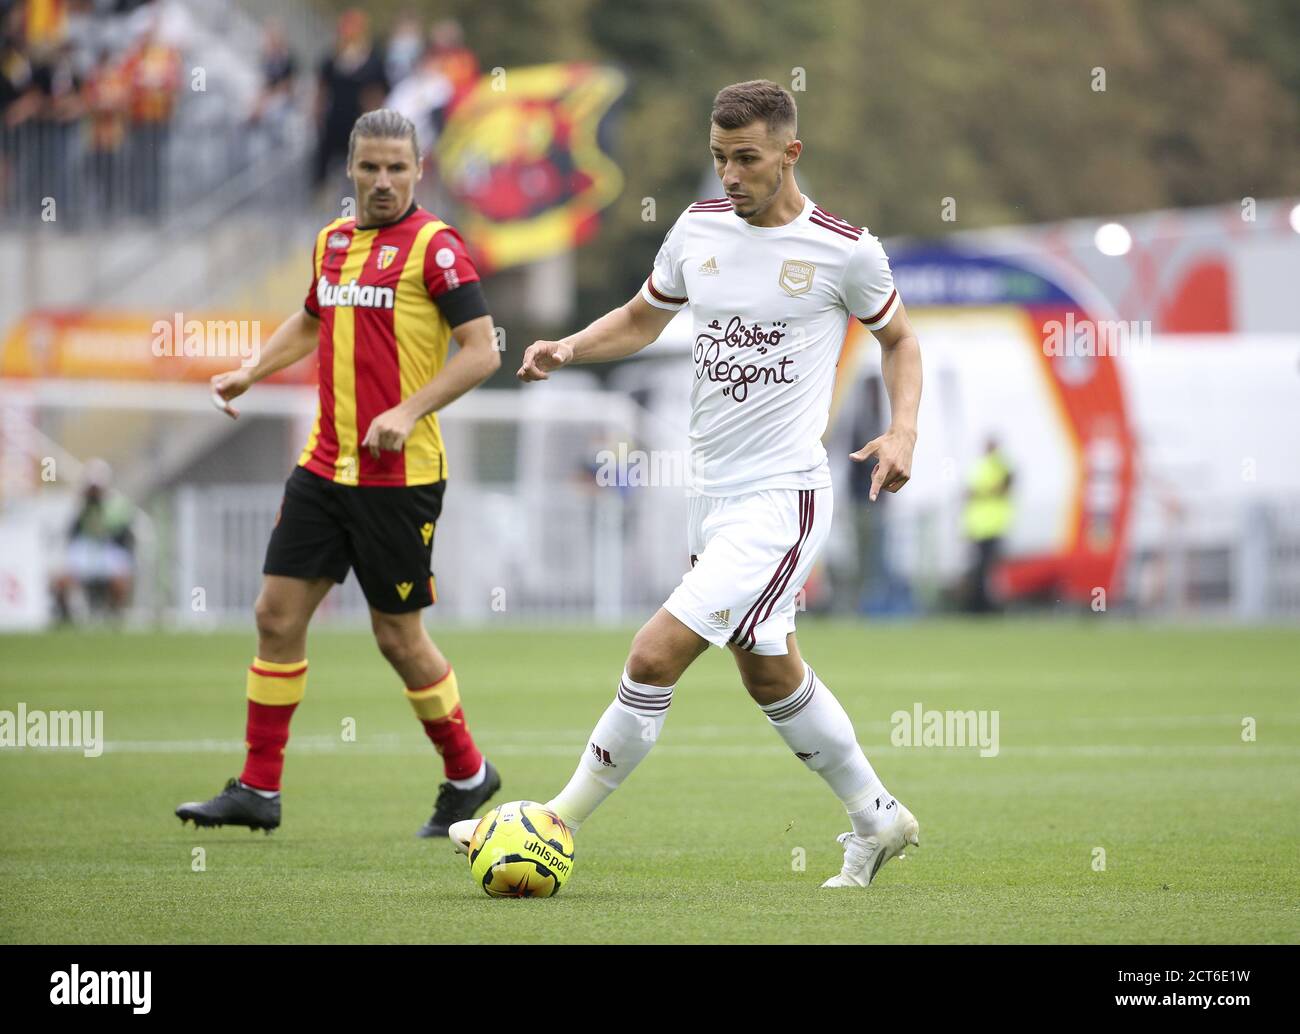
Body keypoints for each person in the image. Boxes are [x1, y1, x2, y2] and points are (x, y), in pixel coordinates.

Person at [453, 80, 924, 888]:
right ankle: (878, 818)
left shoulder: (844, 250)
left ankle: (550, 821)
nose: (731, 175)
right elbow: (643, 317)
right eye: (719, 158)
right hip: (711, 495)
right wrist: (568, 347)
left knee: (653, 655)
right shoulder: (698, 230)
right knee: (766, 669)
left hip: (782, 498)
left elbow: (902, 342)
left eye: (746, 159)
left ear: (789, 154)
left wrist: (903, 429)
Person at [176, 109, 503, 838]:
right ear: (349, 170)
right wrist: (250, 371)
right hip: (324, 467)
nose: (383, 181)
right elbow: (311, 318)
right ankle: (259, 790)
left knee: (398, 638)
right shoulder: (332, 242)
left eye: (397, 168)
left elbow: (482, 351)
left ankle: (469, 772)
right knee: (275, 616)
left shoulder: (437, 250)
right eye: (370, 168)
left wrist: (409, 410)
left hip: (400, 475)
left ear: (419, 172)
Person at [51, 459, 135, 623]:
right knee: (61, 580)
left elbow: (122, 534)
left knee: (120, 578)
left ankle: (114, 614)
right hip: (84, 551)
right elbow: (72, 533)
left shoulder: (116, 505)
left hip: (108, 550)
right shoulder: (79, 506)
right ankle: (65, 617)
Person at [962, 437, 1014, 613]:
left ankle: (985, 606)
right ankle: (979, 606)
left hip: (991, 527)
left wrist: (980, 492)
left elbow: (1004, 486)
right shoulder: (985, 467)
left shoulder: (998, 466)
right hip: (981, 527)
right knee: (981, 570)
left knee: (987, 570)